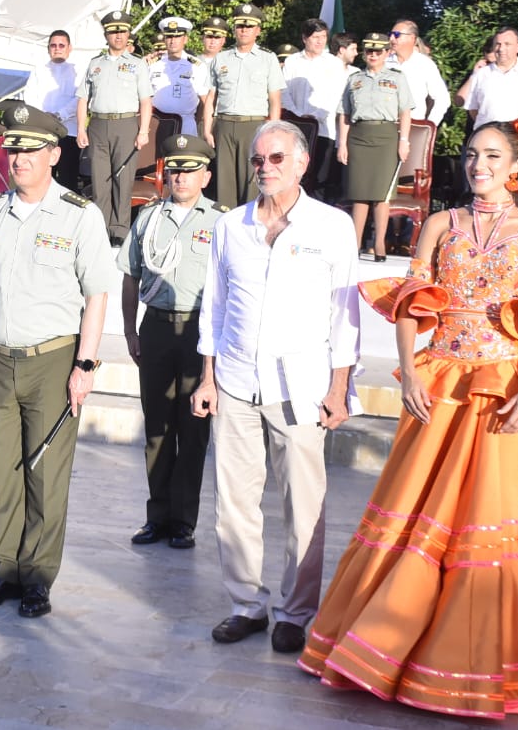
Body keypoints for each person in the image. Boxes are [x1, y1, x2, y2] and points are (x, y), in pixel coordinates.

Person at [299, 119, 518, 718]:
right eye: (472, 155)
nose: (479, 165)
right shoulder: (441, 224)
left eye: (493, 156)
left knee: (489, 522)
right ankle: (386, 648)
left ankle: (475, 662)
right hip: (440, 381)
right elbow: (412, 303)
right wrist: (410, 372)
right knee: (416, 512)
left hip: (502, 388)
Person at [192, 119, 360, 653]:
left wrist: (340, 388)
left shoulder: (331, 226)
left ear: (303, 163)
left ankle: (295, 611)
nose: (265, 168)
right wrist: (207, 378)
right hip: (237, 378)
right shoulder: (230, 226)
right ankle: (246, 604)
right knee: (233, 502)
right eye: (259, 160)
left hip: (302, 385)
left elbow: (345, 316)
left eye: (277, 159)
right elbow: (213, 307)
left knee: (303, 505)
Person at [0, 102, 113, 619]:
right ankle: (5, 570)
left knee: (45, 474)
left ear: (54, 154)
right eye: (13, 148)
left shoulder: (79, 215)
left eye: (29, 150)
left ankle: (38, 577)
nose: (18, 158)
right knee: (5, 473)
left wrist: (85, 366)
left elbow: (96, 297)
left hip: (53, 361)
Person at [117, 133, 224, 549]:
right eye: (175, 170)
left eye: (189, 171)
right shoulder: (148, 218)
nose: (180, 177)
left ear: (206, 176)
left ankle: (184, 521)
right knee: (158, 426)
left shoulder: (220, 221)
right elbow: (130, 275)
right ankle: (157, 516)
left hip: (199, 333)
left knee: (192, 427)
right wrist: (130, 330)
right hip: (157, 327)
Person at [76, 10, 154, 244]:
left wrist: (143, 131)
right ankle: (100, 230)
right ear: (106, 34)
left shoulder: (137, 64)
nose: (118, 35)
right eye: (113, 31)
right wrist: (81, 128)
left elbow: (146, 100)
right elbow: (82, 99)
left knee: (123, 179)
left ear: (128, 33)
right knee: (100, 180)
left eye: (122, 31)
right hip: (98, 124)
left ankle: (120, 231)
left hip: (126, 124)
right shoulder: (94, 64)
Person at [337, 32, 415, 261]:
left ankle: (380, 244)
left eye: (378, 51)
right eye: (369, 51)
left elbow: (405, 112)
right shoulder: (354, 79)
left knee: (382, 195)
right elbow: (344, 113)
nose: (372, 55)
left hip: (386, 136)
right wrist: (342, 143)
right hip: (359, 136)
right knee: (359, 194)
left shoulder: (397, 78)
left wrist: (404, 141)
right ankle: (355, 244)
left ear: (387, 53)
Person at [202, 3, 285, 208]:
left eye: (249, 27)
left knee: (253, 179)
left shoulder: (268, 59)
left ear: (257, 30)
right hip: (225, 124)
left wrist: (271, 131)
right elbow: (211, 97)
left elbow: (274, 100)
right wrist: (207, 129)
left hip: (254, 125)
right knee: (225, 182)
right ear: (234, 29)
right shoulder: (221, 58)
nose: (244, 30)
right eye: (240, 26)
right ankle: (225, 227)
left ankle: (251, 225)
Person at [283, 18, 349, 203]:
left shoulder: (333, 63)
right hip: (296, 129)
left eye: (323, 37)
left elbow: (337, 96)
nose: (320, 41)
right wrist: (297, 114)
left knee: (320, 180)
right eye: (315, 37)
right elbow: (283, 91)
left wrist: (315, 115)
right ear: (305, 38)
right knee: (295, 176)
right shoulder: (292, 61)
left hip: (323, 129)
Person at [22, 30, 84, 192]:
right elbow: (29, 96)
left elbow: (80, 98)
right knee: (40, 176)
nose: (57, 48)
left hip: (67, 131)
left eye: (61, 45)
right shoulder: (38, 70)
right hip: (42, 131)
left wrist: (59, 115)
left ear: (69, 48)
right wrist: (44, 118)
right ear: (48, 48)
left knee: (67, 179)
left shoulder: (78, 72)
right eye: (53, 45)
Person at [465, 26, 518, 128]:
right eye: (498, 44)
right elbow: (473, 109)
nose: (501, 49)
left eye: (507, 44)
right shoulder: (481, 74)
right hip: (487, 137)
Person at [147, 16, 211, 149]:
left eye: (177, 37)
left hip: (185, 123)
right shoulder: (152, 64)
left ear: (185, 39)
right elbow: (145, 96)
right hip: (157, 123)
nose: (172, 41)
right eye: (169, 37)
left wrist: (195, 121)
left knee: (184, 165)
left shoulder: (197, 66)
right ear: (164, 39)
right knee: (155, 165)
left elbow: (204, 101)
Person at [385, 19, 449, 126]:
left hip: (413, 126)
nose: (391, 39)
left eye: (396, 35)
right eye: (390, 34)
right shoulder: (384, 62)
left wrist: (429, 125)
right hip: (384, 127)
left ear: (412, 37)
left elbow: (442, 99)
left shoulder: (425, 64)